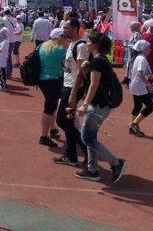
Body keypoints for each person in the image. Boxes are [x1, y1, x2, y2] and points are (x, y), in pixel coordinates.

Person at [72, 32, 127, 183]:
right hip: (101, 104)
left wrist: (84, 105)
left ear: (95, 44)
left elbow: (94, 84)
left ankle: (116, 163)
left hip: (98, 105)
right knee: (91, 137)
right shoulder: (99, 60)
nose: (86, 43)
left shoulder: (97, 62)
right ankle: (92, 170)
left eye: (89, 41)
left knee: (86, 137)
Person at [54, 19, 88, 166]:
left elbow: (81, 70)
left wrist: (74, 92)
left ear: (75, 29)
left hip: (73, 87)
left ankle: (87, 150)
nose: (64, 30)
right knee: (66, 121)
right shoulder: (72, 44)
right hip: (67, 85)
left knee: (62, 120)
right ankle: (72, 155)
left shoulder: (80, 46)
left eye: (66, 28)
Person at [37, 28, 67, 147]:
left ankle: (53, 128)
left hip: (42, 79)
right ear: (58, 37)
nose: (65, 38)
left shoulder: (42, 46)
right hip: (53, 80)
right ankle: (44, 136)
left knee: (53, 104)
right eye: (63, 36)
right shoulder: (61, 49)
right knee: (49, 108)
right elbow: (67, 66)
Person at [128, 40, 153, 137]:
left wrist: (150, 77)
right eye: (148, 48)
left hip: (135, 85)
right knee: (150, 107)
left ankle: (132, 126)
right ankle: (134, 124)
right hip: (139, 86)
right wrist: (149, 84)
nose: (150, 49)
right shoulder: (142, 59)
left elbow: (141, 73)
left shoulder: (139, 57)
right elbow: (140, 73)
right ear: (143, 49)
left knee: (138, 106)